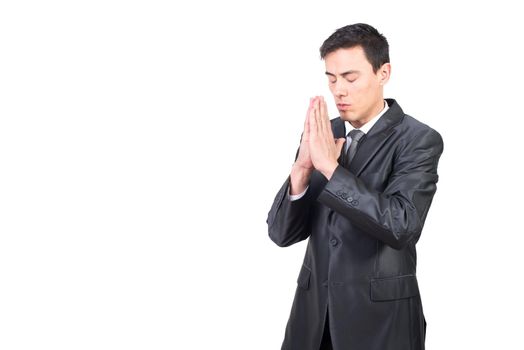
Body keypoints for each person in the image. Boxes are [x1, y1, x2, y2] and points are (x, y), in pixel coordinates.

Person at [266, 23, 444, 350]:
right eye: (331, 79)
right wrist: (302, 170)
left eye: (350, 77)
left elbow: (401, 225)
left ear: (383, 73)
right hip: (312, 317)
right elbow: (281, 234)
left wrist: (331, 169)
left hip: (380, 321)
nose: (339, 91)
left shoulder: (418, 140)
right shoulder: (322, 131)